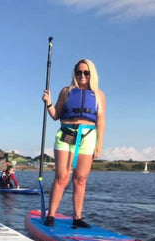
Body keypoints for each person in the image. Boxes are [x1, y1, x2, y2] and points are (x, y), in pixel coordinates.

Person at [42, 58, 106, 228]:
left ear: (91, 74)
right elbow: (56, 115)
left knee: (80, 180)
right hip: (66, 134)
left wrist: (99, 145)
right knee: (62, 177)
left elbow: (101, 121)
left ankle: (77, 217)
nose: (82, 75)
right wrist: (48, 102)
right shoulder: (66, 91)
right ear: (74, 73)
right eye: (79, 72)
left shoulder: (99, 95)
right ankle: (51, 215)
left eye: (86, 72)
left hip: (88, 136)